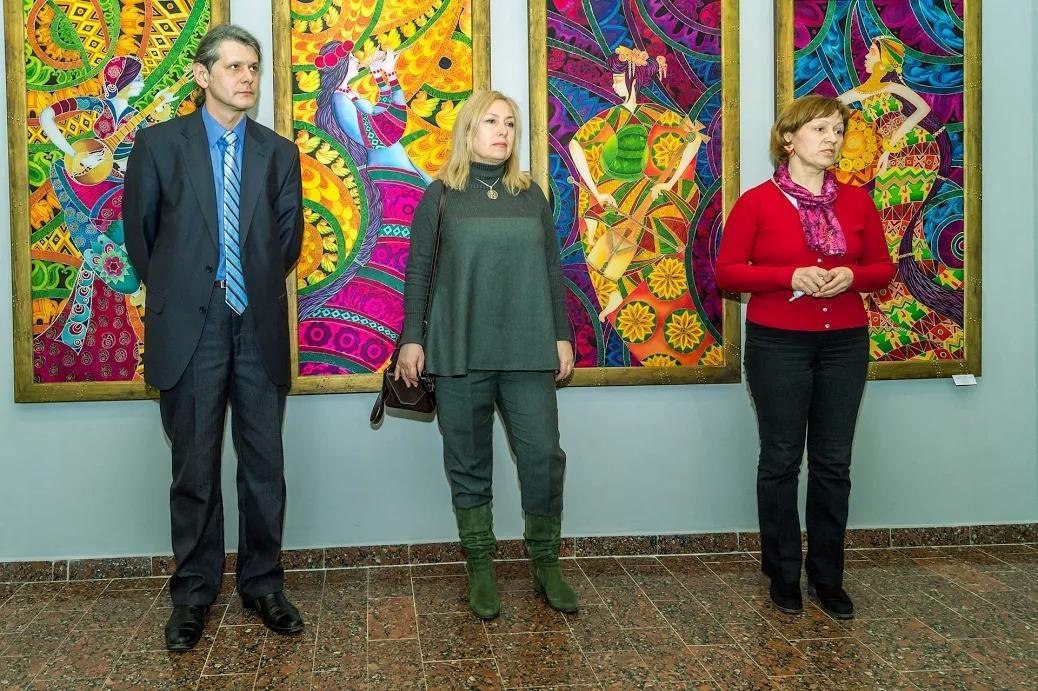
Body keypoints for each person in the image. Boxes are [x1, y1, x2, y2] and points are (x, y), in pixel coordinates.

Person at [123, 24, 305, 651]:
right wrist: (188, 290)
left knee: (264, 467)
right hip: (190, 328)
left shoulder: (278, 153)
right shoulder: (158, 145)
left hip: (257, 325)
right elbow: (142, 239)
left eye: (253, 67)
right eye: (234, 67)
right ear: (202, 75)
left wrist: (242, 284)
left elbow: (286, 243)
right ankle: (194, 594)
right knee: (194, 470)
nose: (247, 77)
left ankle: (263, 585)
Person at [395, 90, 577, 619]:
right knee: (468, 462)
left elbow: (552, 270)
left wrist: (561, 334)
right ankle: (480, 566)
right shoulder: (440, 196)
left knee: (543, 458)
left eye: (511, 123)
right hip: (458, 350)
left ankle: (546, 563)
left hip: (528, 348)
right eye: (491, 121)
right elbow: (418, 274)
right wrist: (411, 338)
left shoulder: (530, 195)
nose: (503, 131)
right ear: (468, 131)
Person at [715, 95, 896, 620]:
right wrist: (787, 275)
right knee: (781, 460)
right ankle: (782, 573)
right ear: (789, 139)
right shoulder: (757, 202)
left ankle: (827, 577)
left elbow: (883, 268)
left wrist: (852, 276)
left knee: (833, 463)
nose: (832, 138)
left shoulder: (857, 202)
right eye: (820, 128)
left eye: (838, 130)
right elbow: (727, 272)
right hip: (778, 344)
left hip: (845, 343)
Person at [35, 56, 175, 382]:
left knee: (115, 254)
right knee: (118, 248)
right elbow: (46, 115)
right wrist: (72, 153)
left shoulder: (137, 116)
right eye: (137, 79)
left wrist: (162, 114)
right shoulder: (97, 106)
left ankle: (98, 332)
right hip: (99, 190)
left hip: (126, 189)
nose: (141, 84)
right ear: (122, 82)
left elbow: (156, 150)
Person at [568, 44, 707, 334]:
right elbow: (575, 145)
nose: (613, 85)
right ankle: (614, 291)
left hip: (644, 188)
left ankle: (620, 294)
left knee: (649, 240)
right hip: (616, 188)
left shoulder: (652, 114)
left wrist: (669, 182)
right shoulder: (613, 116)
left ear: (632, 78)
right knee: (614, 239)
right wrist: (595, 191)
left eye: (618, 79)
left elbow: (694, 137)